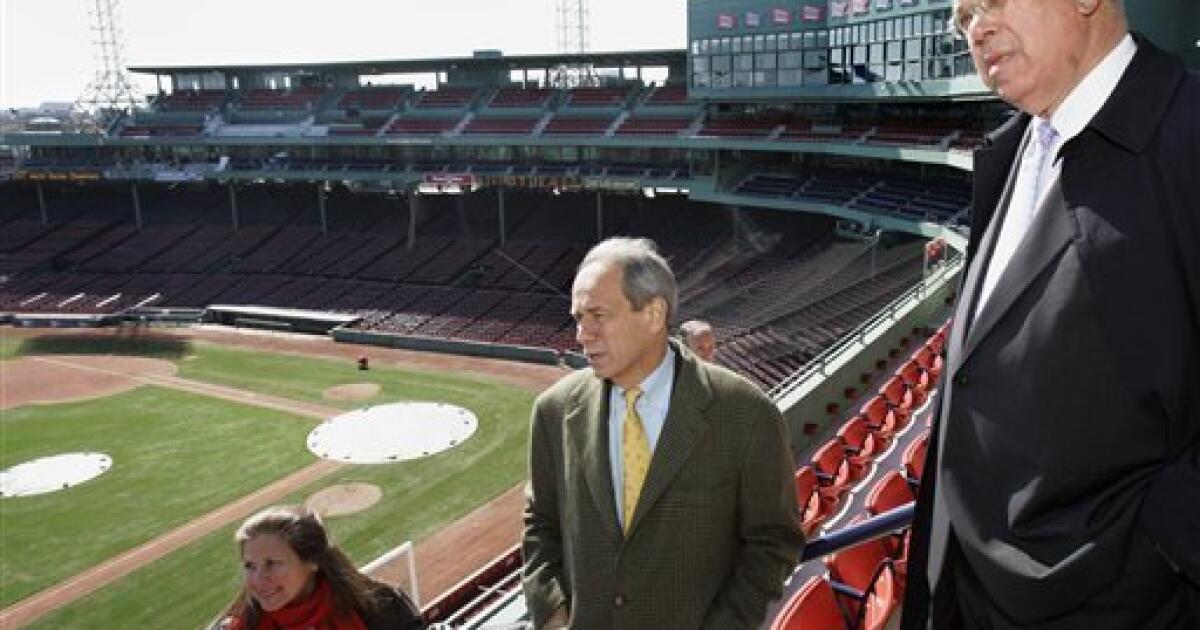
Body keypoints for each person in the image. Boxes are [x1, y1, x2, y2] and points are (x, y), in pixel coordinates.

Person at [902, 1, 1200, 628]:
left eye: (990, 3)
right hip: (967, 593)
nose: (973, 29)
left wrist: (1155, 551)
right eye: (962, 19)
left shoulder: (1188, 134)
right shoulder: (1017, 148)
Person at [521, 237, 804, 629]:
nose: (582, 334)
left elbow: (773, 540)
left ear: (654, 314)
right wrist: (551, 613)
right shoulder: (553, 410)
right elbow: (541, 524)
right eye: (578, 317)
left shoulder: (746, 413)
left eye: (598, 315)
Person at [214, 505, 424, 630]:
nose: (258, 580)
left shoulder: (382, 608)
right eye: (250, 566)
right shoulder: (238, 626)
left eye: (273, 564)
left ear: (313, 561)